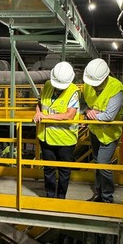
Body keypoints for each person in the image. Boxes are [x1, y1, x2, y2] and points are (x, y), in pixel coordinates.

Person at [81, 58, 123, 203]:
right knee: (97, 162)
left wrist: (91, 116)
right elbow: (83, 103)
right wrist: (87, 110)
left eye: (97, 84)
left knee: (102, 163)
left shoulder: (116, 89)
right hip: (95, 131)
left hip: (109, 134)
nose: (93, 87)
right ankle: (99, 194)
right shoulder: (89, 85)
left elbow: (109, 115)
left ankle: (108, 198)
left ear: (106, 77)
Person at [33, 61, 80, 199]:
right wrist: (37, 112)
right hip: (46, 137)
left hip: (65, 139)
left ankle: (60, 197)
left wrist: (45, 116)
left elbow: (69, 115)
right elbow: (39, 103)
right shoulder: (47, 85)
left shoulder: (73, 92)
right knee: (48, 169)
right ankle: (50, 195)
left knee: (64, 171)